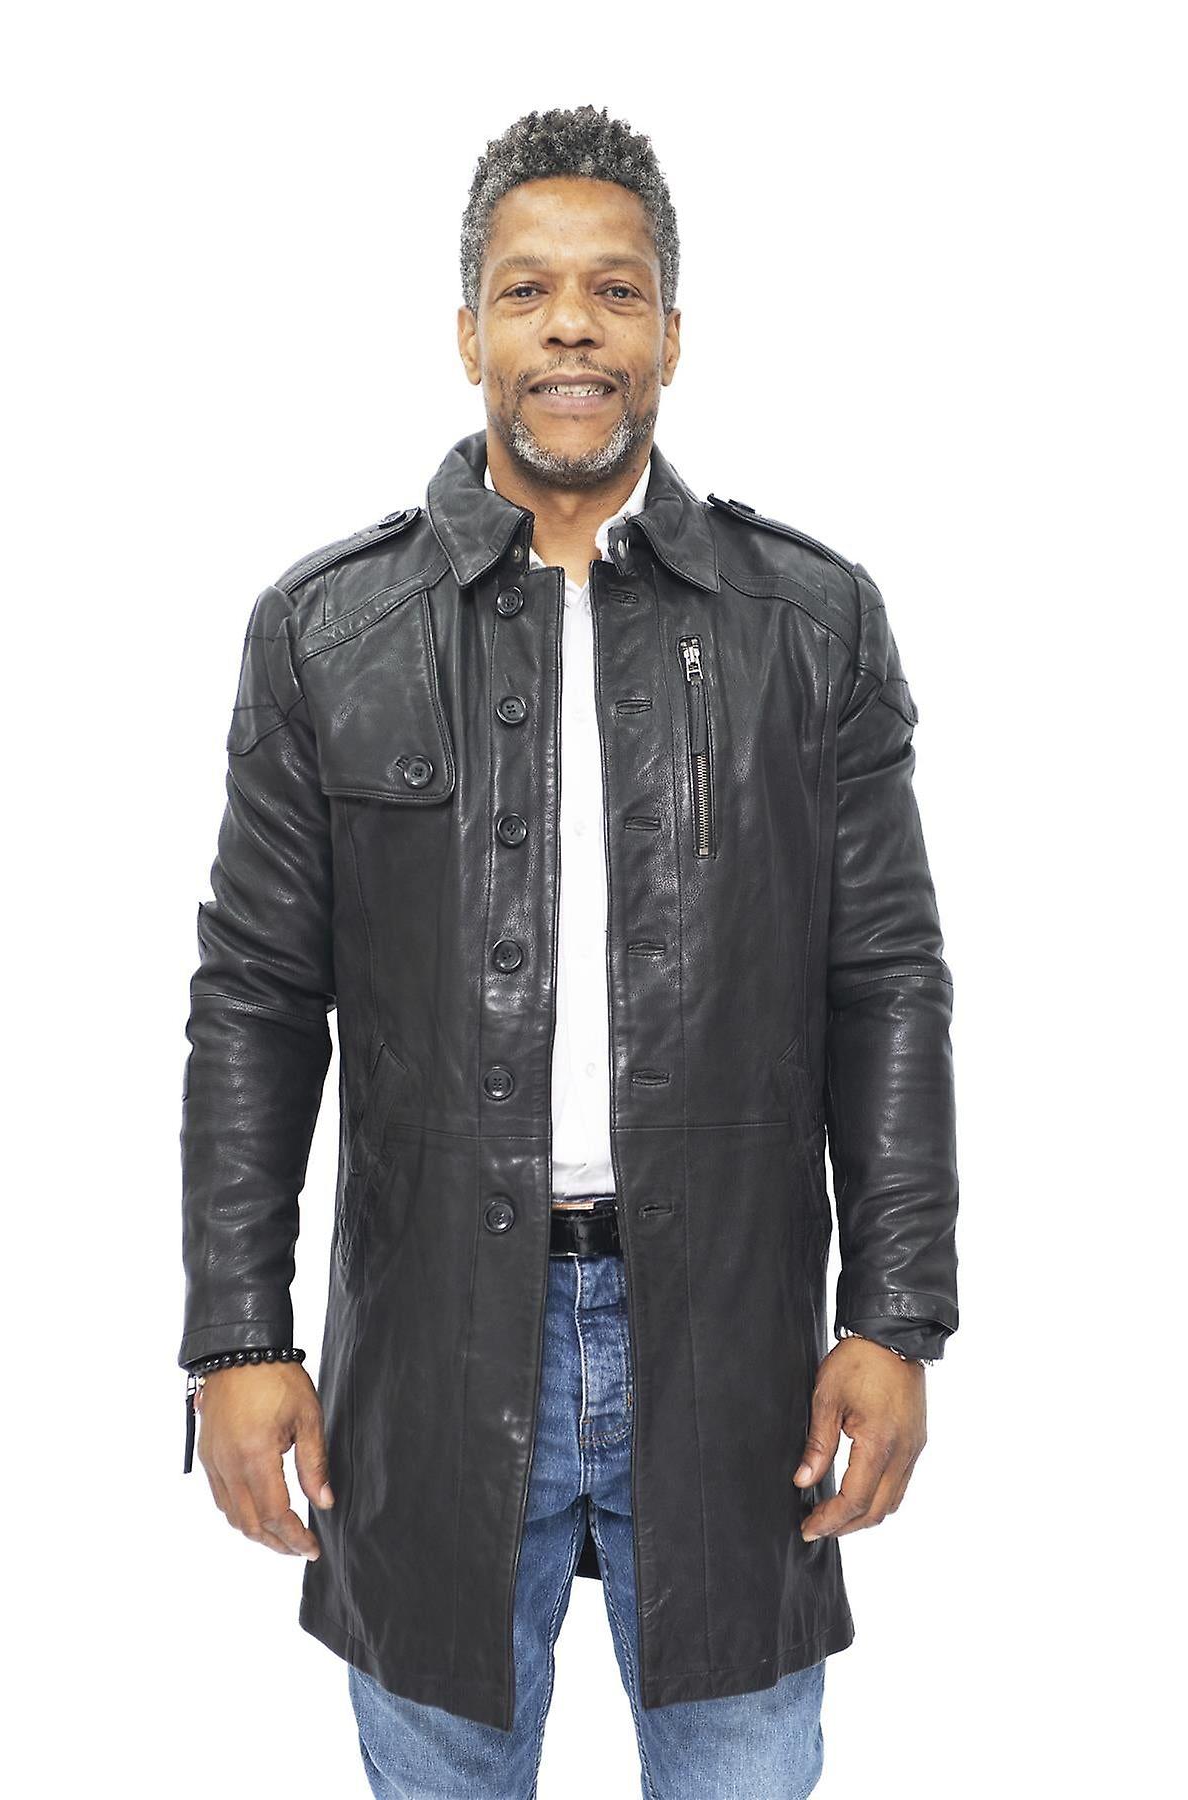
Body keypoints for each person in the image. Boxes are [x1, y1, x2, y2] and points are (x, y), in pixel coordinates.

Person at [178, 103, 959, 1798]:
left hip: (736, 1342)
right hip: (433, 1348)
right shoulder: (328, 631)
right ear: (470, 333)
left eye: (615, 289)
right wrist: (238, 1339)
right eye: (527, 291)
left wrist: (897, 1316)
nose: (573, 329)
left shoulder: (808, 623)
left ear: (671, 331)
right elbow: (255, 1000)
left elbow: (886, 981)